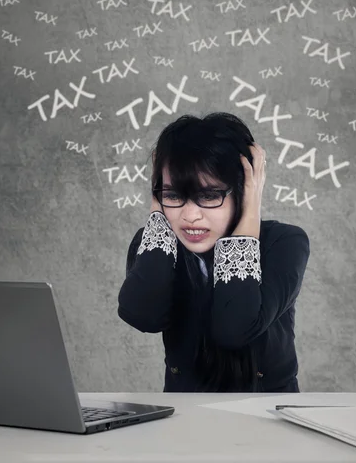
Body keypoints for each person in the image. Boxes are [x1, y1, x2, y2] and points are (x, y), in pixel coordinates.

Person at [117, 112, 310, 392]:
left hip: (269, 419)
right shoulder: (157, 240)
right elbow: (142, 315)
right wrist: (158, 216)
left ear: (242, 192)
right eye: (172, 195)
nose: (190, 215)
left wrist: (250, 208)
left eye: (209, 196)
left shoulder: (285, 242)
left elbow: (235, 329)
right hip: (184, 420)